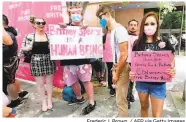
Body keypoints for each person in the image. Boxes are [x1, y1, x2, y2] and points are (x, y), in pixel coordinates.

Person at [130, 12, 176, 117]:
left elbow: (172, 59)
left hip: (159, 85)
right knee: (144, 108)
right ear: (142, 26)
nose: (149, 26)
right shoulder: (137, 43)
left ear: (157, 25)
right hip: (142, 84)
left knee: (157, 115)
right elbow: (134, 63)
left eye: (152, 23)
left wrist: (173, 69)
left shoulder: (165, 42)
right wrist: (132, 74)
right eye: (146, 24)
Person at [59, 2, 96, 115]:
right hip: (69, 60)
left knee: (86, 80)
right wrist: (60, 29)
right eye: (73, 13)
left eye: (78, 12)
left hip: (83, 60)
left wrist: (86, 30)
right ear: (69, 15)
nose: (76, 14)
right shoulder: (64, 27)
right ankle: (79, 98)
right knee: (72, 81)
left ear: (81, 15)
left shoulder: (86, 28)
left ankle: (91, 101)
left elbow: (94, 41)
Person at [96, 5, 130, 117]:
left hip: (122, 68)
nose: (100, 21)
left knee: (121, 100)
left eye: (100, 18)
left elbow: (124, 54)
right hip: (118, 67)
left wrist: (117, 72)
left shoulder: (120, 30)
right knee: (119, 99)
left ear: (107, 15)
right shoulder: (113, 31)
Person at [20, 16, 56, 112]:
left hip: (49, 59)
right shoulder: (29, 36)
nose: (41, 25)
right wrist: (26, 48)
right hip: (35, 60)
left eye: (43, 23)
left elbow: (56, 47)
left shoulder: (49, 36)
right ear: (34, 24)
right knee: (40, 84)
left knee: (49, 83)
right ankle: (43, 101)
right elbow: (22, 48)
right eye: (38, 23)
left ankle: (49, 100)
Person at [3, 14, 29, 100]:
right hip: (11, 61)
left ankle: (15, 100)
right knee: (12, 78)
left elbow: (5, 51)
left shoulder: (6, 34)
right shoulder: (9, 32)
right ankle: (20, 92)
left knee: (9, 82)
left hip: (8, 62)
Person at [127, 19, 139, 109]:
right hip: (127, 61)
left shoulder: (139, 38)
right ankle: (127, 99)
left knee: (132, 80)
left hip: (136, 63)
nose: (133, 26)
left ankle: (130, 94)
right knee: (126, 81)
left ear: (137, 27)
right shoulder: (124, 37)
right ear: (128, 26)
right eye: (131, 24)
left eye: (135, 25)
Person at [102, 27, 115, 96]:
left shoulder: (116, 35)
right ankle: (111, 87)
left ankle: (116, 86)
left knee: (117, 72)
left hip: (116, 57)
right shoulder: (104, 37)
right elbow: (103, 46)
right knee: (110, 72)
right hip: (109, 58)